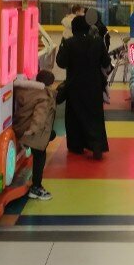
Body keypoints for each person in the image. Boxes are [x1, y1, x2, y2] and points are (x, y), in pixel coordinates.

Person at [56, 14, 110, 159]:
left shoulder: (69, 43)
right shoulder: (98, 42)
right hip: (94, 86)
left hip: (74, 86)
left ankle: (76, 146)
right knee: (95, 117)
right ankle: (97, 146)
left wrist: (62, 45)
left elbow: (61, 63)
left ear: (73, 29)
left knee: (74, 117)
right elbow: (106, 62)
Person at [13, 69, 57, 200]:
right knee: (40, 157)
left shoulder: (27, 91)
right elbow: (39, 116)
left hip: (22, 126)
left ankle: (36, 186)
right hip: (35, 132)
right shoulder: (44, 97)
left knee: (49, 138)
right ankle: (36, 187)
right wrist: (32, 130)